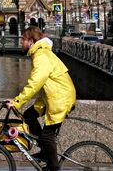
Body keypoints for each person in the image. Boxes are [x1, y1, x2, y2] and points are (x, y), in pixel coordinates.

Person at [5, 26, 76, 171]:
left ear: (30, 41)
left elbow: (35, 83)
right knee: (29, 115)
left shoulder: (41, 56)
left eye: (23, 40)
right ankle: (45, 152)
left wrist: (17, 101)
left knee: (48, 135)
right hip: (51, 96)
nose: (21, 43)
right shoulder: (39, 53)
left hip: (60, 98)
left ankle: (53, 167)